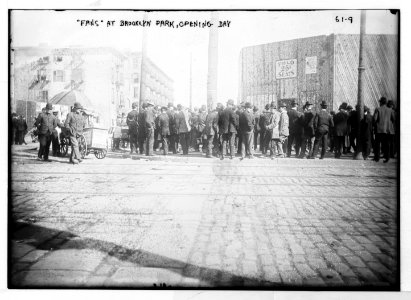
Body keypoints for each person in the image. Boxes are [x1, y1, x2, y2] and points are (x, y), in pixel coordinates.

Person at [373, 97, 395, 163]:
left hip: (379, 130)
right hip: (387, 131)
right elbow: (393, 119)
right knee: (386, 144)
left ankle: (377, 158)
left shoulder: (378, 109)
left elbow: (374, 119)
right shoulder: (390, 110)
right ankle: (387, 157)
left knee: (377, 144)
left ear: (381, 102)